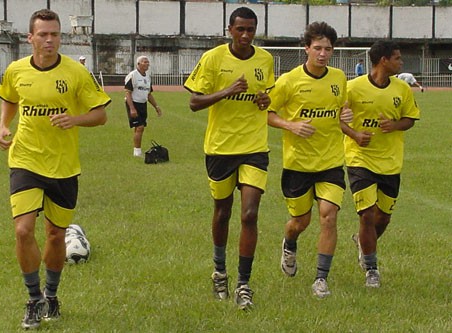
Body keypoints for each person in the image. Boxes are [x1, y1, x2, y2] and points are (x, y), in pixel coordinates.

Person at [0, 9, 111, 329]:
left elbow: (100, 114)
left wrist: (74, 119)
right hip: (25, 160)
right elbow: (9, 98)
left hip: (63, 167)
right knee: (22, 230)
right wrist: (4, 127)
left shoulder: (75, 73)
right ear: (29, 38)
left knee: (55, 235)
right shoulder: (16, 70)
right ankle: (33, 299)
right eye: (43, 34)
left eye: (55, 34)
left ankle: (52, 294)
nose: (50, 40)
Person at [183, 6, 274, 310]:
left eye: (251, 29)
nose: (246, 35)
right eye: (240, 29)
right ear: (229, 30)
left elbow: (266, 97)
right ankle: (220, 271)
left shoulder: (265, 60)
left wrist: (264, 100)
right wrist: (227, 90)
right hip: (221, 148)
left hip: (255, 147)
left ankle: (244, 284)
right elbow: (195, 102)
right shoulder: (213, 58)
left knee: (249, 213)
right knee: (223, 212)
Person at [267, 21, 353, 298]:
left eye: (328, 49)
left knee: (328, 217)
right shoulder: (289, 81)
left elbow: (342, 110)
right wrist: (290, 125)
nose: (323, 54)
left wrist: (345, 117)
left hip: (330, 163)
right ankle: (289, 243)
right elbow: (267, 113)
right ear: (306, 48)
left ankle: (320, 279)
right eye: (317, 48)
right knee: (300, 222)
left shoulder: (339, 78)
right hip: (298, 165)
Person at [342, 40, 420, 288]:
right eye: (397, 58)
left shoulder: (402, 89)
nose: (401, 62)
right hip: (359, 159)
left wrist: (394, 126)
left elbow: (410, 119)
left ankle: (362, 242)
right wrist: (354, 135)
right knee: (366, 215)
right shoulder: (352, 88)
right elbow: (337, 119)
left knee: (382, 219)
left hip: (390, 162)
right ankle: (372, 269)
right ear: (383, 60)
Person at [124, 55, 162, 157]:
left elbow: (148, 94)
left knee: (139, 127)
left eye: (148, 62)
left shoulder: (147, 77)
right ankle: (137, 152)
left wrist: (156, 107)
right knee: (140, 127)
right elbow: (127, 92)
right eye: (144, 62)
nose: (147, 63)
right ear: (138, 64)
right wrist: (132, 108)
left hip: (143, 104)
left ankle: (136, 149)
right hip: (133, 103)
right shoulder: (133, 75)